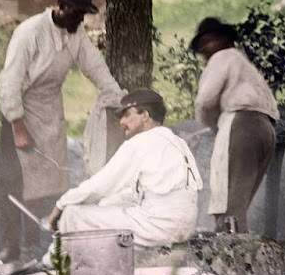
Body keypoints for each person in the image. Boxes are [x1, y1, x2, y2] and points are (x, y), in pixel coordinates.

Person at [0, 0, 123, 270]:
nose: (80, 20)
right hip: (20, 109)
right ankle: (10, 248)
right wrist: (17, 126)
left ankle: (39, 245)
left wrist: (119, 98)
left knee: (50, 178)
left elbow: (96, 68)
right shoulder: (29, 32)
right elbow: (10, 80)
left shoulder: (76, 35)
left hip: (50, 110)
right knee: (12, 180)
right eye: (77, 13)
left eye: (84, 15)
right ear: (61, 6)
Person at [52, 90, 202, 249]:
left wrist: (60, 205)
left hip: (158, 227)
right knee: (108, 204)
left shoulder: (141, 142)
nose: (122, 122)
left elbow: (99, 185)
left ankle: (52, 266)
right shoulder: (177, 142)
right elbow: (140, 192)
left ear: (144, 115)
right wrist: (104, 204)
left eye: (126, 115)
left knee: (72, 214)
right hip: (183, 226)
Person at [190, 18, 279, 234]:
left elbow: (205, 100)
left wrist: (209, 125)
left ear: (224, 39)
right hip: (266, 128)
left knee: (229, 206)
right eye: (202, 44)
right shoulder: (243, 64)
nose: (204, 49)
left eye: (208, 41)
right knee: (239, 202)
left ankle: (234, 257)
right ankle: (240, 252)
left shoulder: (223, 57)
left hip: (243, 124)